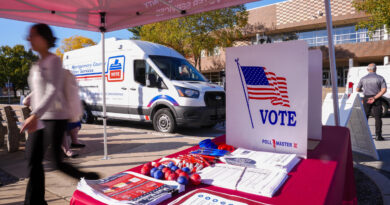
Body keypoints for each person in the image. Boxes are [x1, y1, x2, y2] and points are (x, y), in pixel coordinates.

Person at [21, 23, 99, 205]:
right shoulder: (37, 64)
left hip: (55, 117)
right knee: (33, 161)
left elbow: (53, 90)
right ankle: (35, 201)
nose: (28, 39)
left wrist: (35, 114)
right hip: (39, 117)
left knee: (57, 162)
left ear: (44, 38)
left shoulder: (54, 61)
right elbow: (39, 91)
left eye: (32, 35)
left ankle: (89, 177)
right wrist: (31, 105)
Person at [356, 63, 387, 141]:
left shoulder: (363, 78)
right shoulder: (380, 78)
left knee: (365, 117)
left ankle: (364, 136)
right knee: (378, 118)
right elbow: (384, 90)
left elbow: (357, 89)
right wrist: (374, 97)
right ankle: (378, 136)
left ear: (368, 70)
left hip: (366, 98)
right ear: (375, 69)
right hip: (377, 98)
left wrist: (363, 90)